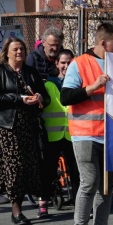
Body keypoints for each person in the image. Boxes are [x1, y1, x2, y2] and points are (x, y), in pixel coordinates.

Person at [61, 22, 113, 225]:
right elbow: (66, 96)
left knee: (106, 188)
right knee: (89, 183)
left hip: (111, 136)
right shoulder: (80, 63)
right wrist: (93, 86)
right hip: (86, 133)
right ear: (103, 43)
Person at [0, 36, 50, 225]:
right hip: (6, 126)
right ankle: (16, 210)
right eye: (15, 49)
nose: (19, 52)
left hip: (28, 126)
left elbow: (46, 98)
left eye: (22, 48)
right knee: (15, 167)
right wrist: (19, 99)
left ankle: (30, 200)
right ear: (6, 52)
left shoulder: (30, 72)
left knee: (29, 166)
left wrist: (39, 97)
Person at [41, 49, 80, 208]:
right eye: (63, 62)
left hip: (73, 134)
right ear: (56, 64)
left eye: (69, 62)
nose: (66, 65)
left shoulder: (78, 84)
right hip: (53, 134)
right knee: (48, 170)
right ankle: (43, 202)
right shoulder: (48, 84)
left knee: (76, 170)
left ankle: (80, 203)